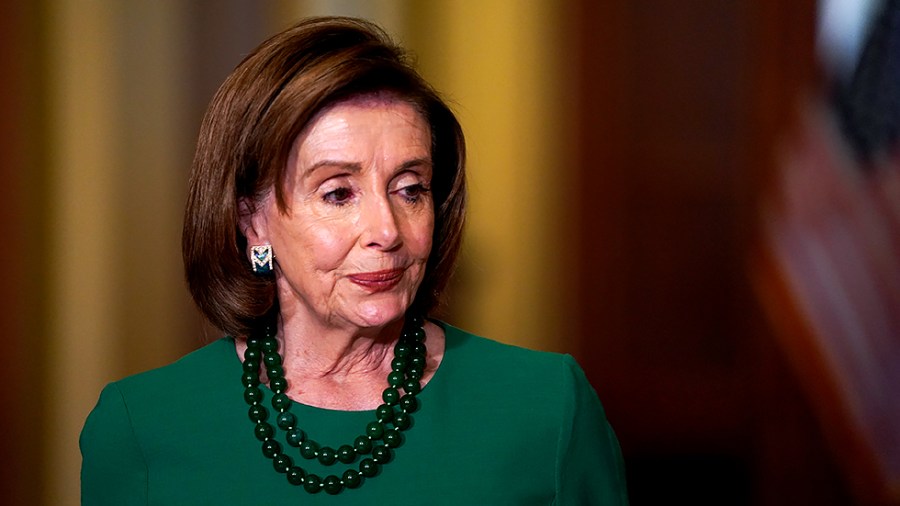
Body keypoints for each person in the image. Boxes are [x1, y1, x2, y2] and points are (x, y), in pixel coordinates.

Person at [80, 16, 628, 504]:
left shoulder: (546, 406)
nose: (387, 231)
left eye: (410, 189)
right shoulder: (142, 426)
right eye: (338, 194)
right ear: (252, 220)